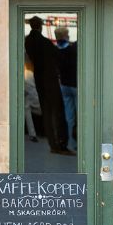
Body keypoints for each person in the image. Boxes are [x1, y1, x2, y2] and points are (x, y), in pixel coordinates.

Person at [25, 16, 72, 155]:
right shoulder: (44, 42)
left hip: (39, 78)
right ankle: (60, 145)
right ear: (40, 26)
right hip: (50, 79)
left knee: (46, 112)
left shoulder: (28, 40)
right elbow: (58, 57)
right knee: (57, 112)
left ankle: (53, 144)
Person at [55, 27, 78, 151]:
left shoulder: (55, 50)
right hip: (75, 85)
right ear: (66, 36)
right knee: (80, 115)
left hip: (64, 85)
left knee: (69, 117)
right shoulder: (73, 49)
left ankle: (71, 142)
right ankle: (79, 141)